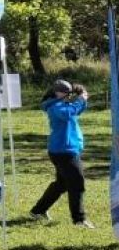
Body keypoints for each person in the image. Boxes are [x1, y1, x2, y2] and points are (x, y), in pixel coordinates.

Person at [30, 80, 95, 228]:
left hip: (64, 150)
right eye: (65, 92)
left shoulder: (62, 104)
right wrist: (79, 101)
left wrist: (82, 99)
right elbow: (67, 113)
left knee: (62, 184)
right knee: (77, 184)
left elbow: (76, 111)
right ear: (56, 92)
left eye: (69, 92)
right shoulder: (55, 106)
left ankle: (38, 211)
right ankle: (79, 220)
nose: (68, 95)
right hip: (64, 152)